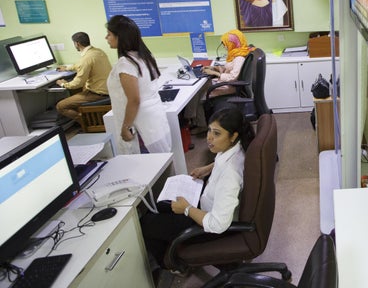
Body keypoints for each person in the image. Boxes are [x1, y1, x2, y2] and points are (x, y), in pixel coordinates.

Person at [140, 107, 255, 273]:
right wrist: (208, 168)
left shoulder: (230, 176)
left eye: (217, 133)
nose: (209, 138)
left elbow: (217, 224)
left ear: (233, 136)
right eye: (209, 130)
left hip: (211, 226)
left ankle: (172, 265)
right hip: (208, 204)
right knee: (160, 205)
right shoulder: (237, 149)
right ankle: (171, 245)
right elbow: (224, 163)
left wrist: (186, 208)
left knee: (146, 224)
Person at [105, 15, 171, 154]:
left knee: (148, 164)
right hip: (153, 115)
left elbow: (134, 99)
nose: (106, 38)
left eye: (109, 34)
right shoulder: (144, 55)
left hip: (140, 120)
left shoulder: (126, 63)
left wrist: (125, 127)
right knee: (161, 157)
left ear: (120, 37)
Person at [55, 32, 112, 124]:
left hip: (98, 93)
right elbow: (80, 65)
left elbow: (78, 83)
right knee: (78, 92)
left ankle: (88, 122)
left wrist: (63, 84)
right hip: (108, 89)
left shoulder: (86, 59)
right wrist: (67, 68)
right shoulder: (98, 52)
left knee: (61, 106)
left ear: (77, 43)